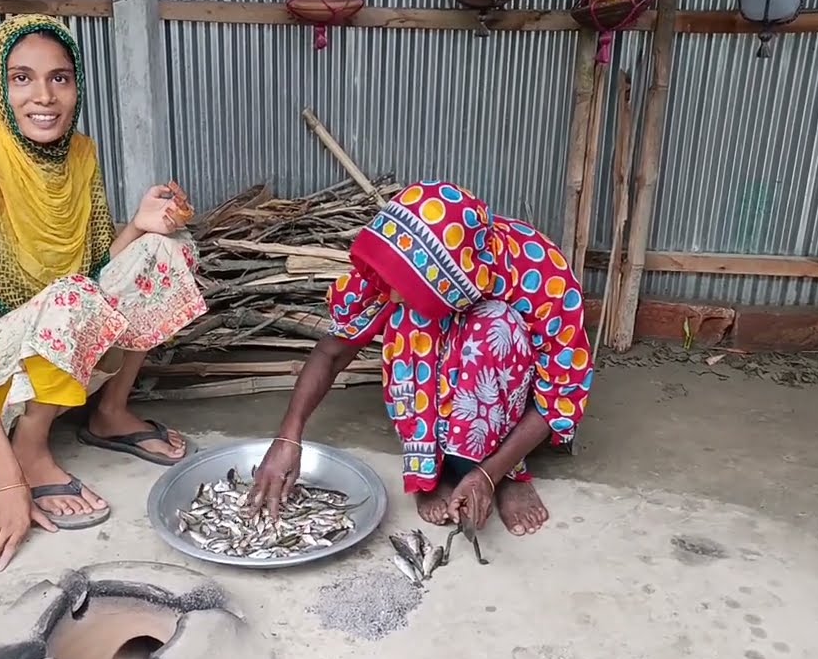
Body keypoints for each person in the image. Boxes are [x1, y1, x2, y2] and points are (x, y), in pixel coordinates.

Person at [0, 14, 207, 575]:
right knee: (73, 298)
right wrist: (6, 482)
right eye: (22, 78)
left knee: (164, 248)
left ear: (77, 87)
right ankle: (29, 446)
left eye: (61, 78)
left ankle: (110, 413)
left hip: (55, 339)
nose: (44, 97)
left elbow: (97, 273)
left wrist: (141, 226)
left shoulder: (78, 156)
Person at [249, 180, 593, 536]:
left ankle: (503, 473)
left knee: (495, 326)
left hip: (509, 391)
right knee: (412, 319)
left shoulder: (539, 272)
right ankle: (434, 468)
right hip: (445, 393)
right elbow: (332, 351)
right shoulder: (404, 253)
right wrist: (289, 437)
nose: (392, 294)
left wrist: (489, 474)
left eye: (408, 286)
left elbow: (560, 395)